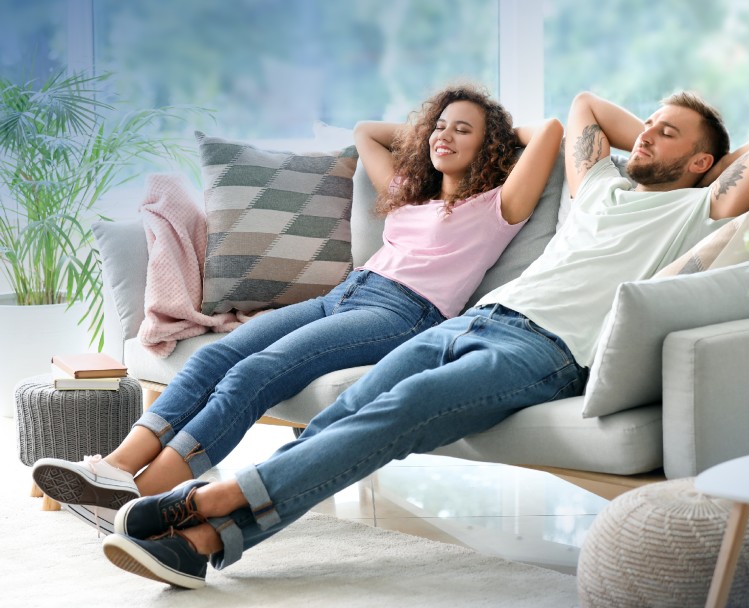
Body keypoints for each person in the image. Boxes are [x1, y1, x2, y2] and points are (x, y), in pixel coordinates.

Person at [100, 90, 749, 590]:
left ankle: (223, 499)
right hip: (476, 318)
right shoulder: (601, 188)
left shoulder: (698, 209)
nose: (645, 135)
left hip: (543, 353)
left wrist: (707, 155)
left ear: (707, 164)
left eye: (667, 133)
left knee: (399, 413)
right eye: (646, 123)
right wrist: (663, 136)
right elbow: (587, 103)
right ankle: (201, 545)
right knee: (348, 412)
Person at [31, 83, 565, 528]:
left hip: (404, 313)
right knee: (217, 356)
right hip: (347, 294)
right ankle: (117, 469)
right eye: (439, 125)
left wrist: (498, 133)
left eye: (462, 130)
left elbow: (550, 133)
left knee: (257, 373)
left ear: (490, 147)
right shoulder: (409, 193)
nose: (444, 135)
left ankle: (149, 495)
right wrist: (437, 132)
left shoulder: (497, 206)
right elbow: (366, 133)